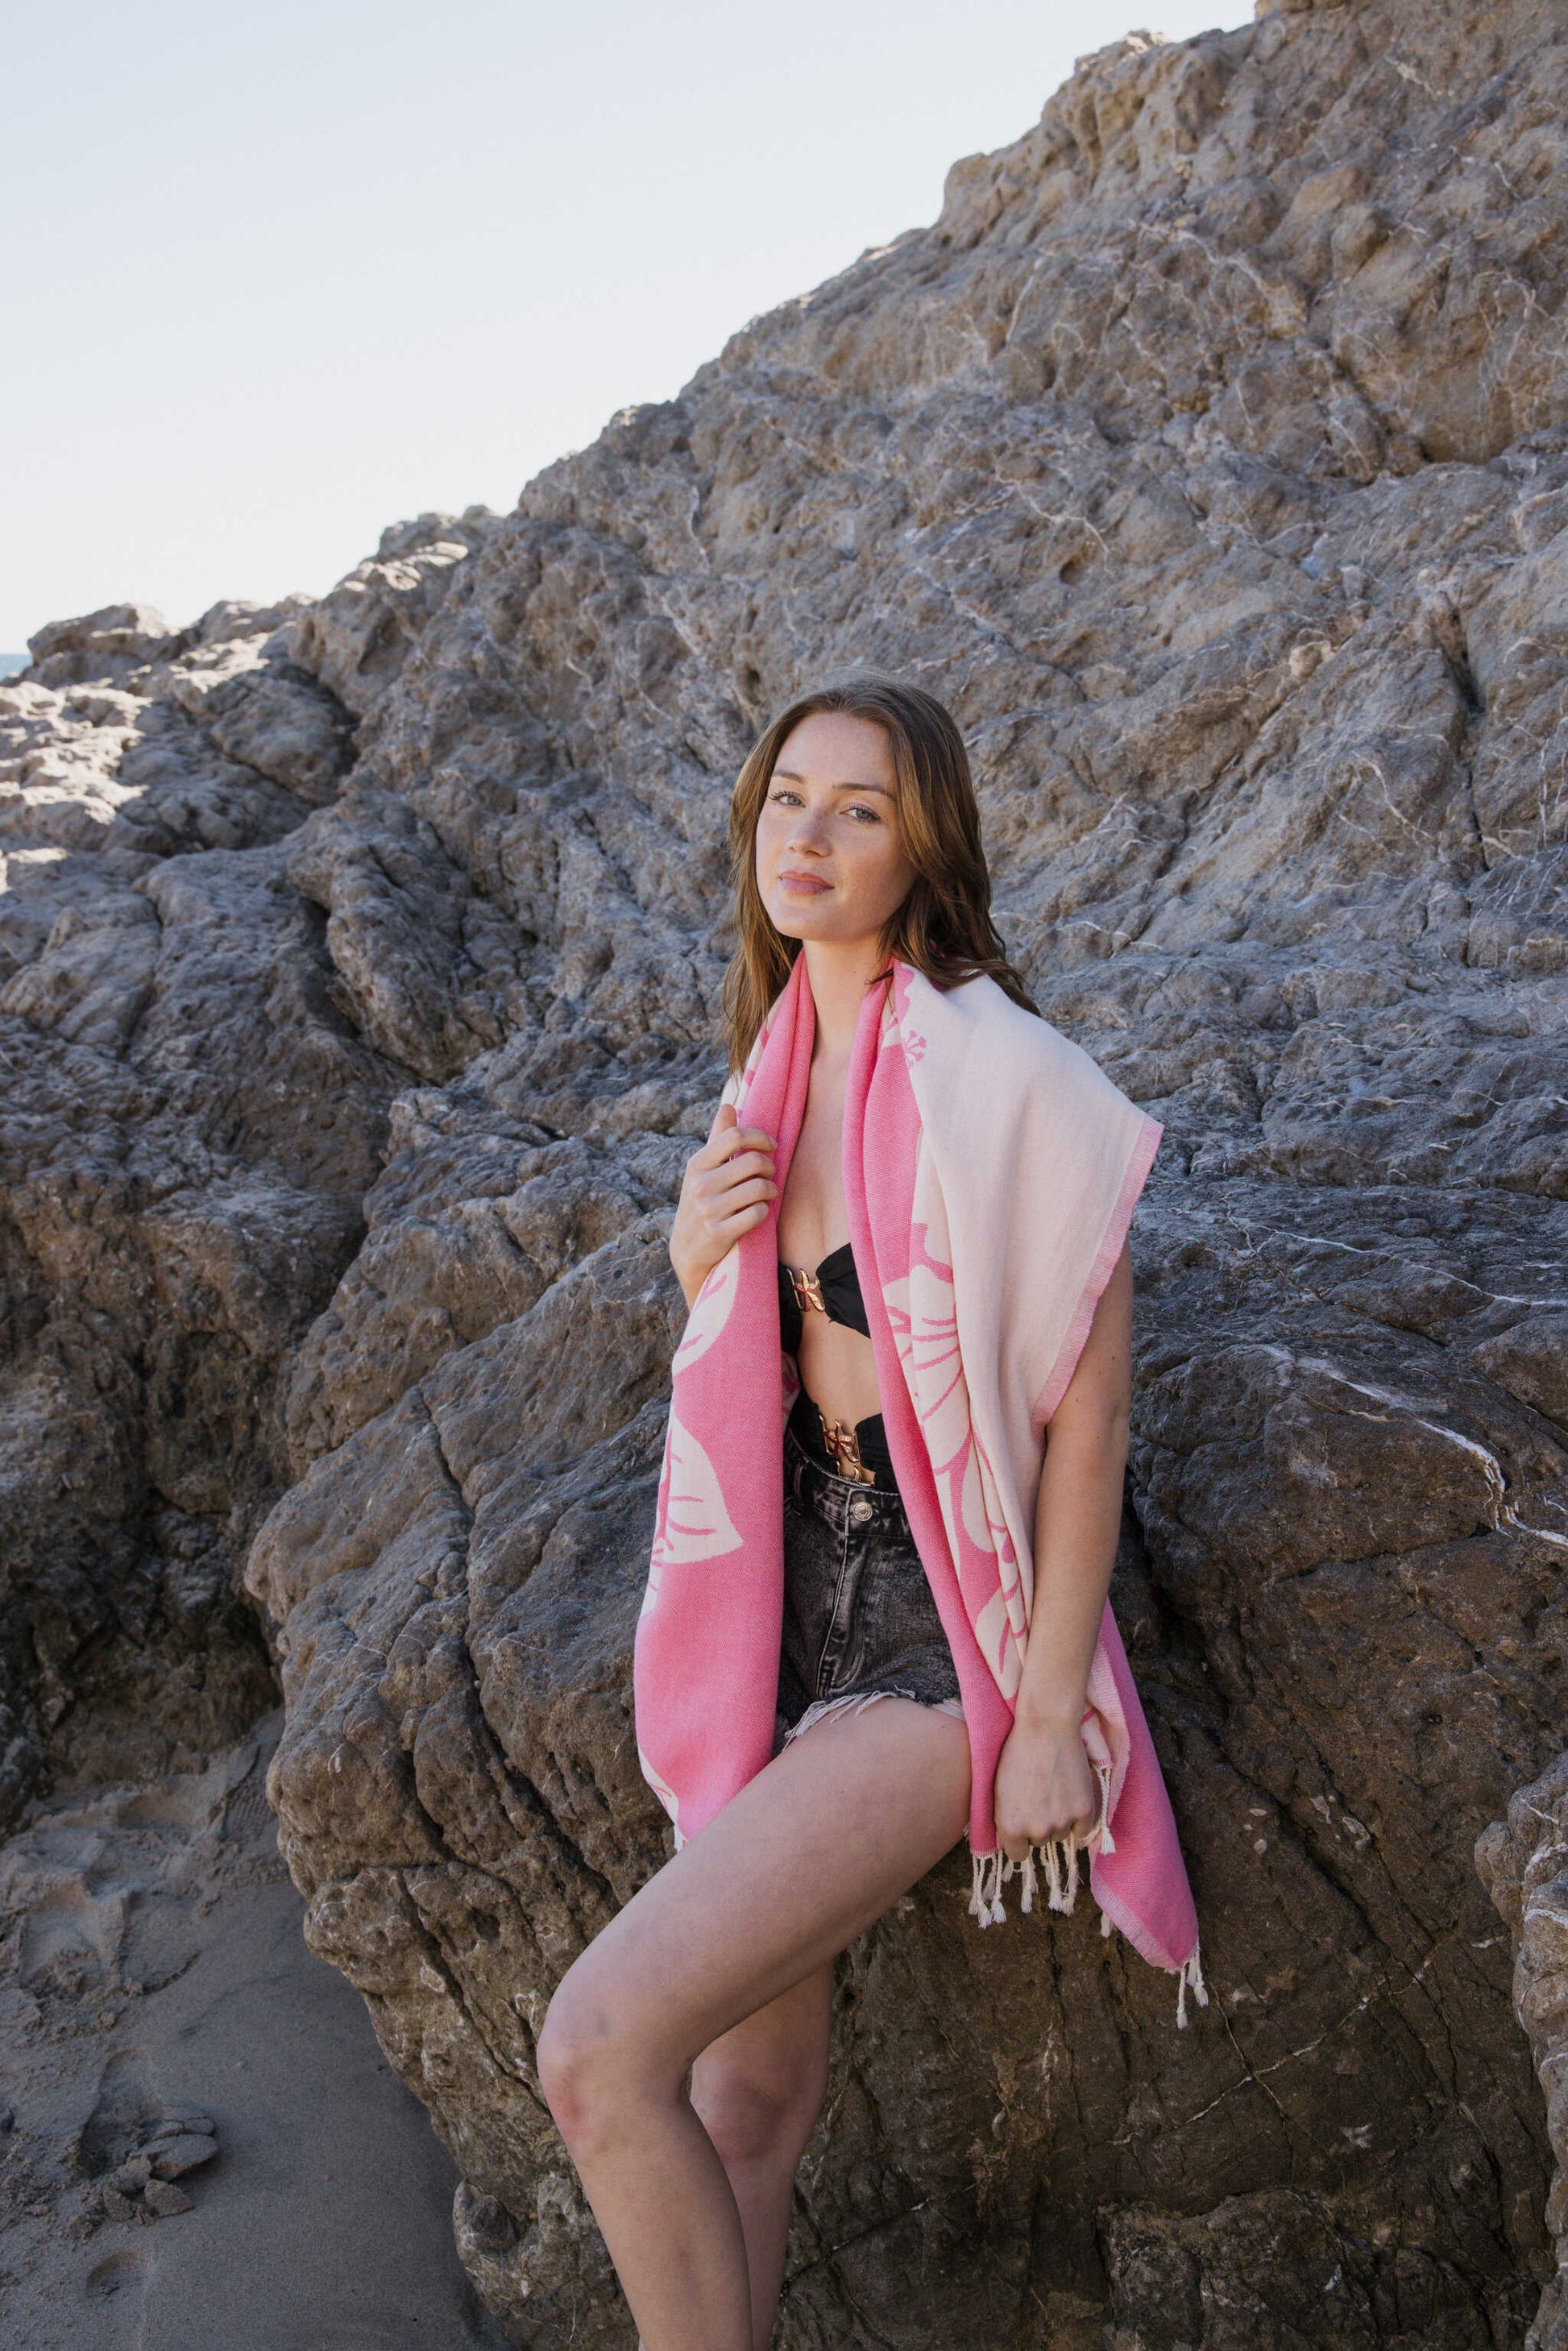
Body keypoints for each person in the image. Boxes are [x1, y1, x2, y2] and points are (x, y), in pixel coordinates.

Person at [537, 678, 1171, 2351]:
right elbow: (742, 1367)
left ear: (923, 848)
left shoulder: (1006, 1076)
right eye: (786, 799)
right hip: (777, 1606)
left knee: (596, 2049)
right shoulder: (767, 1075)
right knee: (742, 2100)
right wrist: (697, 1262)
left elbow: (1089, 1418)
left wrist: (1047, 1714)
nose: (806, 835)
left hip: (927, 1631)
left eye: (859, 809)